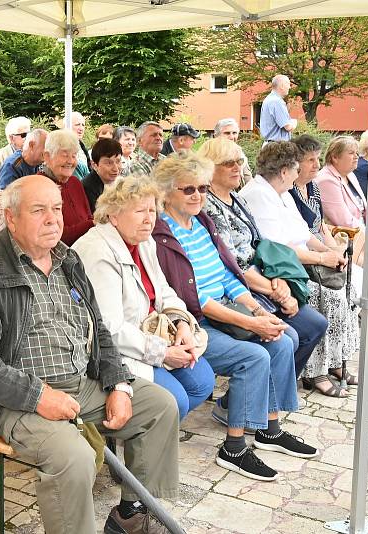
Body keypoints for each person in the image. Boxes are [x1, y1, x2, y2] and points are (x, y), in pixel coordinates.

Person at [0, 174, 180, 534]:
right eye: (38, 210)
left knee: (160, 407)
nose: (53, 219)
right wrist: (38, 396)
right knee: (74, 457)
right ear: (11, 218)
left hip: (78, 384)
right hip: (11, 399)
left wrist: (118, 382)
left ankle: (132, 514)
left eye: (56, 208)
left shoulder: (66, 259)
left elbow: (99, 328)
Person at [152, 151, 318, 481]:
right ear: (167, 191)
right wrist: (250, 321)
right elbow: (193, 297)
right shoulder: (162, 235)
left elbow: (228, 276)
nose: (198, 195)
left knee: (282, 340)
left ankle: (270, 428)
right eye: (188, 189)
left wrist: (258, 310)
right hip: (189, 323)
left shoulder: (201, 223)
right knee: (254, 356)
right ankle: (234, 447)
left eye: (201, 187)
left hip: (226, 311)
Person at [73, 177, 215, 420]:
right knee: (173, 402)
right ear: (113, 216)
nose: (150, 219)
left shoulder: (144, 241)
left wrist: (181, 323)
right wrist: (164, 353)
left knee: (202, 382)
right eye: (140, 211)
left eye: (152, 210)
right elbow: (110, 329)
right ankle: (148, 437)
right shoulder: (98, 252)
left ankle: (152, 428)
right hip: (113, 352)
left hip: (151, 334)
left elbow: (164, 290)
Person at [200, 138, 329, 393]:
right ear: (209, 168)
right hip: (238, 289)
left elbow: (262, 246)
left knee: (314, 324)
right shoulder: (209, 207)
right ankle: (249, 400)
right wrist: (275, 291)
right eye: (229, 163)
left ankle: (267, 395)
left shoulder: (237, 199)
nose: (237, 167)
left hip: (262, 278)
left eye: (239, 161)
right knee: (293, 334)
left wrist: (279, 279)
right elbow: (233, 265)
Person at [240, 141, 359, 397]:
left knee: (343, 290)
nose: (299, 173)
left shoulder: (282, 192)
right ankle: (309, 375)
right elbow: (277, 249)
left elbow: (304, 232)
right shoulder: (259, 195)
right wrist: (321, 259)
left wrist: (329, 253)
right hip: (276, 274)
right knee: (324, 304)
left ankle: (328, 365)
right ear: (284, 170)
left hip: (295, 268)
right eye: (297, 167)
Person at [315, 134, 368, 296]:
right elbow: (343, 219)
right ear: (335, 156)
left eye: (357, 152)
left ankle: (367, 296)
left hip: (359, 234)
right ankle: (363, 298)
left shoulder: (349, 175)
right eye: (351, 153)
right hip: (342, 237)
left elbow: (364, 209)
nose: (357, 156)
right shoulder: (326, 180)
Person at [39, 129, 94, 246]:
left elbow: (88, 216)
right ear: (47, 156)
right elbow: (55, 235)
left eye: (74, 155)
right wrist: (93, 223)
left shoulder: (75, 182)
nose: (70, 161)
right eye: (65, 155)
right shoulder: (39, 187)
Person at [82, 138, 123, 213]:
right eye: (108, 163)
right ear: (94, 165)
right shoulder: (88, 188)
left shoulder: (120, 183)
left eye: (118, 161)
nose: (115, 168)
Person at [0, 116, 31, 186]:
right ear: (11, 138)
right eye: (23, 135)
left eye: (30, 133)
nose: (28, 137)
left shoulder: (34, 155)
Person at [213, 118, 253, 186]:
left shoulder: (241, 154)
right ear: (216, 136)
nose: (231, 137)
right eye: (227, 133)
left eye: (234, 133)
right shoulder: (211, 155)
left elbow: (249, 181)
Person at [259, 75, 298, 142]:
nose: (289, 87)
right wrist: (294, 122)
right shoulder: (277, 102)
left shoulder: (269, 99)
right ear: (282, 86)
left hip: (271, 145)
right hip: (278, 147)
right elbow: (287, 127)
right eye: (288, 84)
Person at [66, 111, 91, 180]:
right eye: (77, 125)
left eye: (83, 125)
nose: (81, 128)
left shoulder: (82, 147)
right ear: (67, 126)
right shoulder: (64, 147)